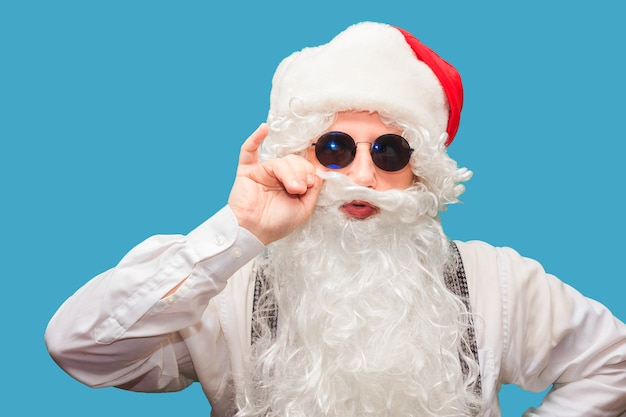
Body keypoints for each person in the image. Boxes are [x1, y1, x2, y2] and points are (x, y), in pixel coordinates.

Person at [45, 21, 626, 417]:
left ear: (420, 173)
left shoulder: (497, 282)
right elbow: (80, 348)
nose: (363, 176)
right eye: (333, 149)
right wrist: (236, 231)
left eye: (390, 152)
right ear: (297, 158)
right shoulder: (223, 291)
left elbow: (613, 362)